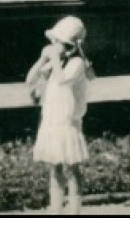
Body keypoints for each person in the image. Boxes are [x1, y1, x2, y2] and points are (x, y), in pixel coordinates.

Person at [26, 15, 96, 215]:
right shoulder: (58, 62)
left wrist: (55, 58)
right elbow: (30, 79)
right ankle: (55, 211)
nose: (55, 46)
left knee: (72, 168)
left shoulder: (76, 64)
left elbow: (62, 80)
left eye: (59, 43)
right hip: (52, 122)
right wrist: (42, 59)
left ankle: (74, 211)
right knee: (54, 168)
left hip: (68, 123)